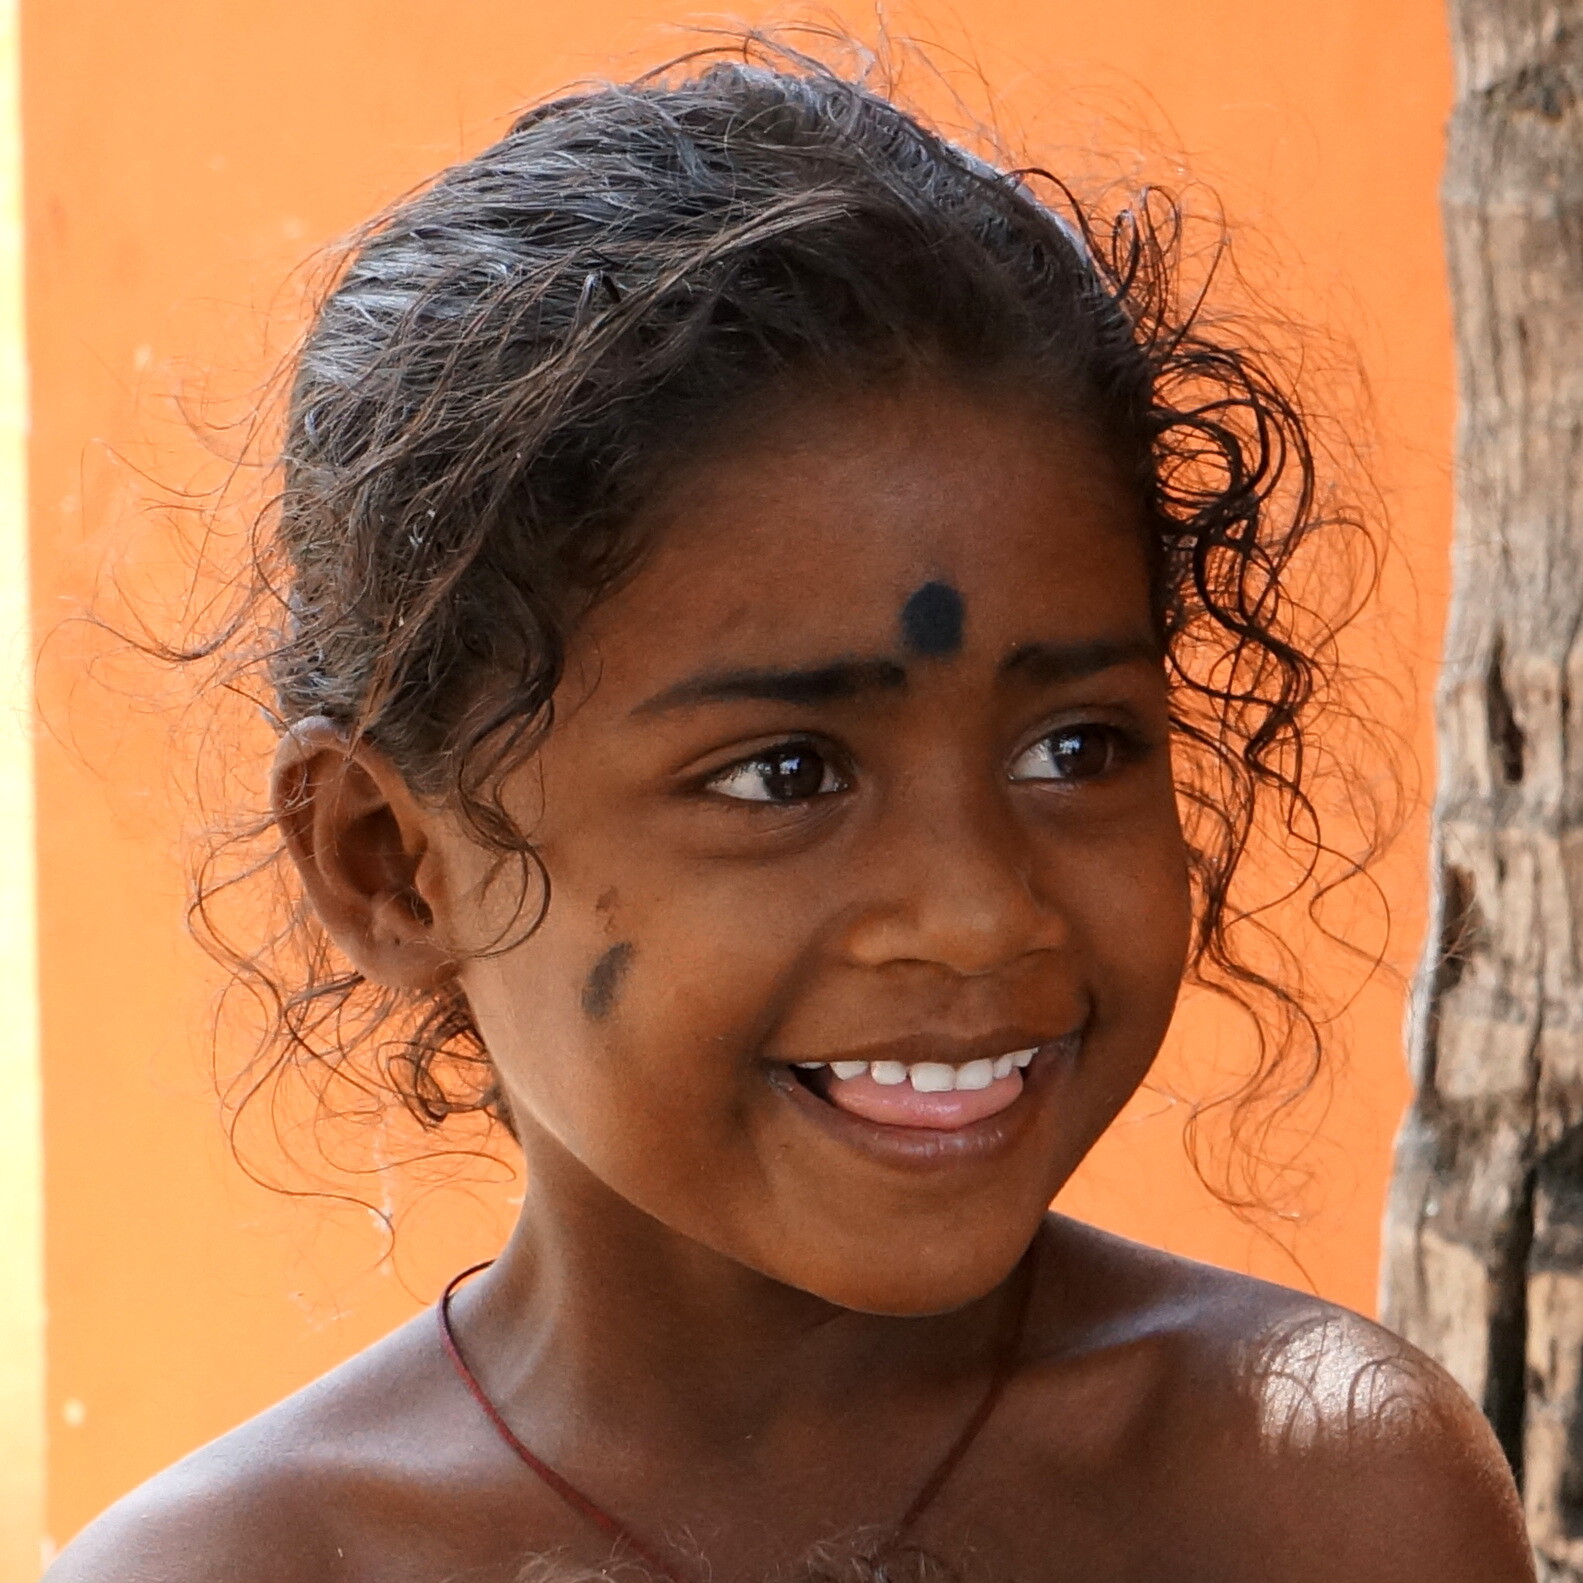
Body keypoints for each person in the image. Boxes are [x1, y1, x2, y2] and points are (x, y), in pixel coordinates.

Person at [48, 37, 1535, 1583]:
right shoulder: (249, 1569)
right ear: (391, 865)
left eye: (1077, 748)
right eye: (788, 774)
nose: (979, 911)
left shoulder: (1315, 1498)